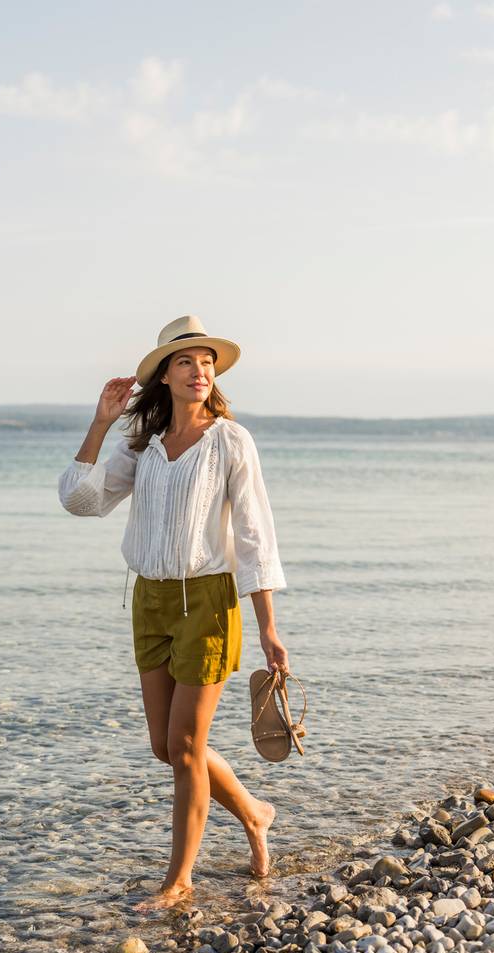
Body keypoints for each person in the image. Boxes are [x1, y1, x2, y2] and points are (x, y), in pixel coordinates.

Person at [58, 314, 289, 911]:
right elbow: (80, 501)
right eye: (185, 361)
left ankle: (180, 880)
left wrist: (267, 626)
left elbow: (256, 534)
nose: (199, 370)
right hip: (150, 600)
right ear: (164, 376)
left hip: (208, 601)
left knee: (185, 747)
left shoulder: (230, 440)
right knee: (167, 746)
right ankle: (254, 813)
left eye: (206, 361)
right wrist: (101, 423)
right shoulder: (144, 448)